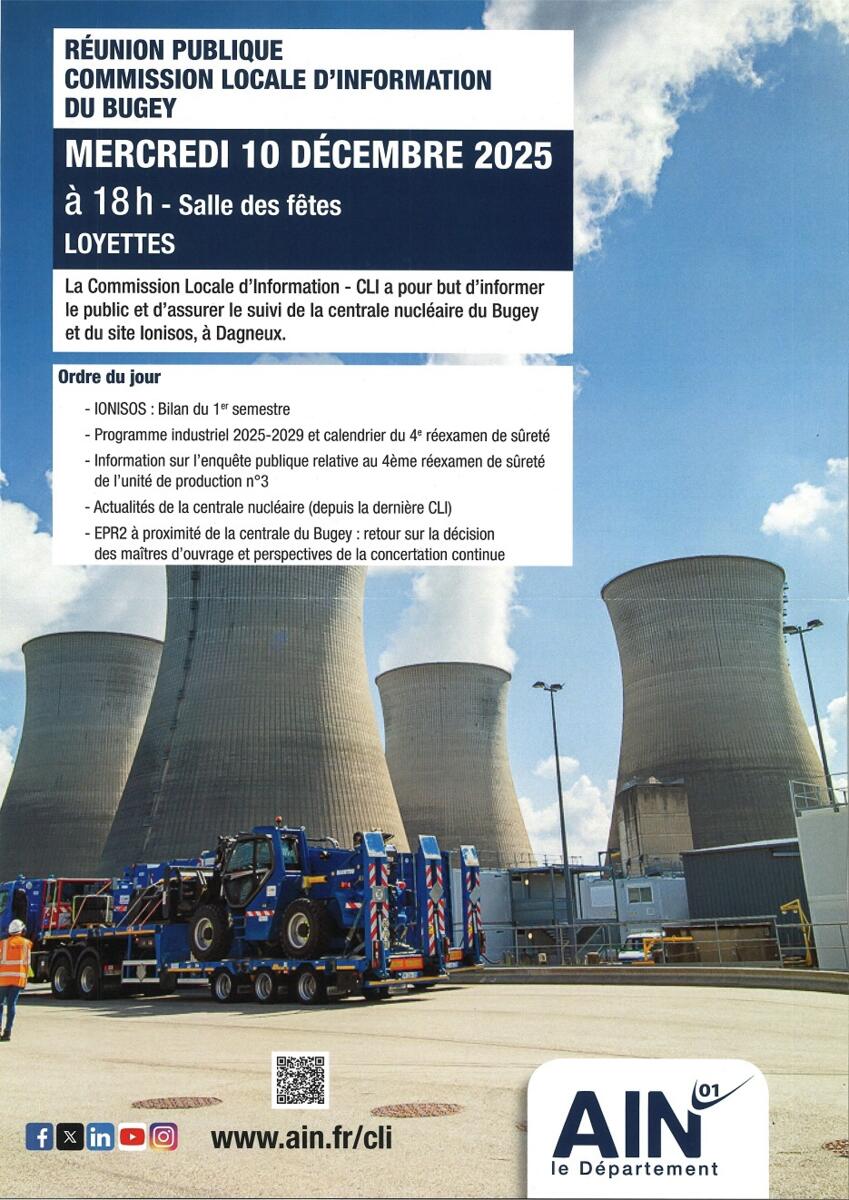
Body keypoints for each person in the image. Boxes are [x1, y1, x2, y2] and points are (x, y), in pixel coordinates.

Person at [0, 918, 32, 1042]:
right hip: (17, 979)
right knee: (11, 1005)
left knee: (0, 1004)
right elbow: (27, 963)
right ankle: (7, 1032)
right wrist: (25, 980)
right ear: (22, 930)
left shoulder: (3, 944)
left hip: (2, 979)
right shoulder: (26, 944)